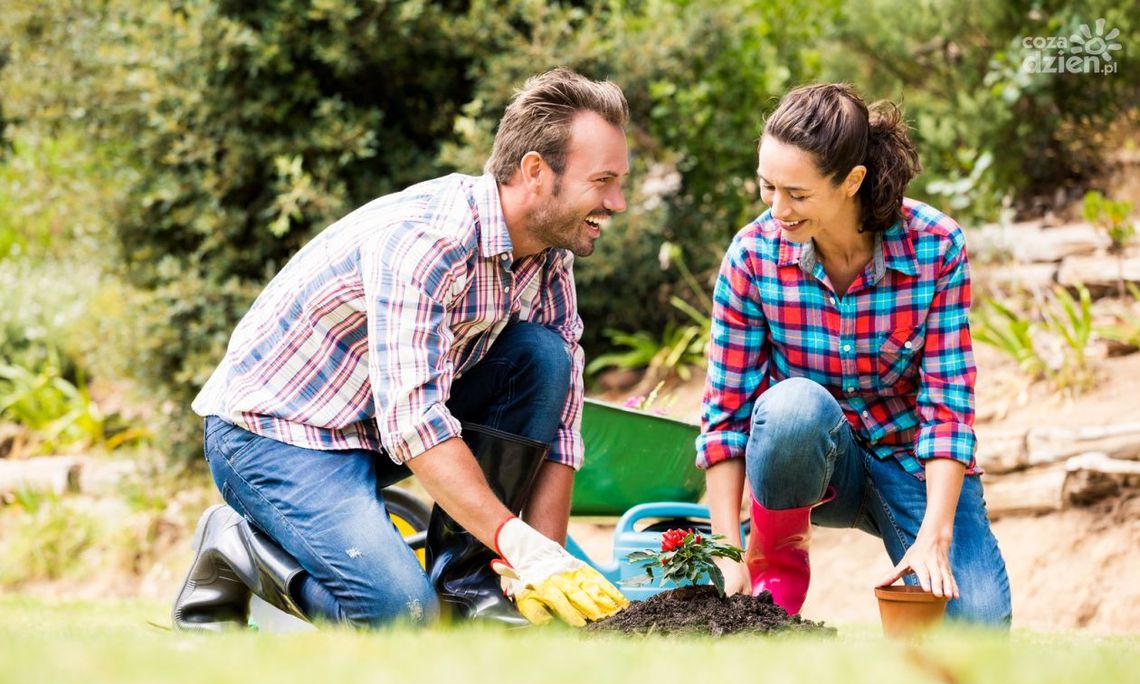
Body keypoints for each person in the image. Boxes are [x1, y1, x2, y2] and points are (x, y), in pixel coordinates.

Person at [171, 68, 630, 631]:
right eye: (603, 180)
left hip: (373, 430)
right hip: (274, 437)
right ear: (535, 172)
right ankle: (234, 548)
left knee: (542, 355)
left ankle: (472, 588)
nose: (619, 201)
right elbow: (414, 419)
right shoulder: (426, 240)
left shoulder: (546, 256)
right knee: (403, 618)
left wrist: (544, 568)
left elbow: (558, 429)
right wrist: (518, 540)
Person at [697, 83, 1012, 626]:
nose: (777, 209)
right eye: (767, 187)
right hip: (814, 465)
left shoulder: (936, 246)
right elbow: (726, 414)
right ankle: (774, 574)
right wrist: (729, 552)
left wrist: (935, 537)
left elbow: (947, 405)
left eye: (796, 193)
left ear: (852, 181)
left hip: (910, 462)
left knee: (977, 625)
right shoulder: (752, 256)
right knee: (793, 406)